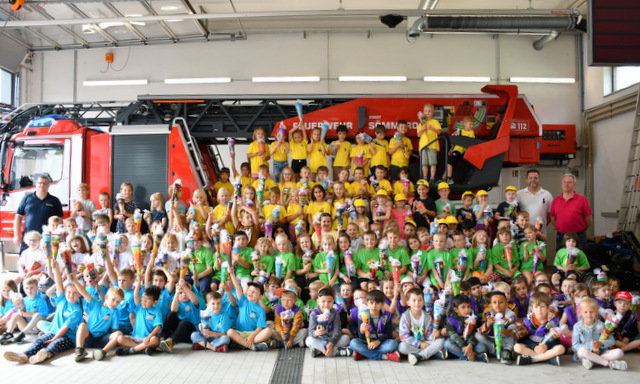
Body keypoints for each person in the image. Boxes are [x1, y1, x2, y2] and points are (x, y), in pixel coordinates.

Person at [3, 259, 82, 364]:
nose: (71, 295)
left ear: (79, 294)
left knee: (55, 344)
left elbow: (64, 328)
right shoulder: (62, 300)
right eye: (69, 292)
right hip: (53, 332)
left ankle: (43, 355)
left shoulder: (77, 310)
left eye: (75, 293)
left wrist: (53, 339)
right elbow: (59, 283)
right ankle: (23, 355)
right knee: (39, 341)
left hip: (68, 337)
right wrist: (56, 268)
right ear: (65, 292)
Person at [572, 297, 627, 371]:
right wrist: (591, 348)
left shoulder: (602, 325)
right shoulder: (577, 326)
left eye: (592, 311)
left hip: (601, 352)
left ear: (597, 312)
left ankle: (592, 361)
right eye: (585, 312)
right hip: (585, 353)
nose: (589, 314)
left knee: (619, 352)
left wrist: (600, 343)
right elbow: (575, 346)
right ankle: (609, 364)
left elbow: (612, 341)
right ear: (581, 313)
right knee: (581, 351)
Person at [13, 175, 63, 252]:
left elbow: (60, 220)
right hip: (29, 239)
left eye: (44, 183)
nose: (42, 185)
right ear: (36, 184)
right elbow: (18, 217)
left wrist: (59, 237)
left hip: (47, 239)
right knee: (26, 262)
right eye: (39, 183)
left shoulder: (54, 201)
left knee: (46, 262)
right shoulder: (26, 198)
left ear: (48, 185)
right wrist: (16, 236)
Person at [514, 292, 564, 366]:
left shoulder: (553, 321)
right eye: (536, 307)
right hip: (531, 347)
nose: (539, 310)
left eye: (542, 307)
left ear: (548, 308)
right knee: (517, 347)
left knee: (561, 348)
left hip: (546, 348)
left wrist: (546, 346)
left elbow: (557, 340)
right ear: (532, 308)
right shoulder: (526, 321)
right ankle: (548, 359)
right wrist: (534, 347)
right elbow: (523, 339)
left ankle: (532, 359)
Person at [349, 289, 399, 362]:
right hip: (367, 343)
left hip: (381, 343)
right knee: (353, 343)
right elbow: (361, 337)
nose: (374, 306)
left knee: (393, 344)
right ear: (367, 303)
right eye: (371, 303)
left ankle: (365, 353)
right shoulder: (362, 315)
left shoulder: (387, 315)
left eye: (377, 303)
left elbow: (388, 334)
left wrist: (378, 341)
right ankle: (383, 356)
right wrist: (362, 331)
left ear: (382, 304)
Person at [399, 287, 446, 365]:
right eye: (414, 300)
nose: (417, 303)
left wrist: (434, 334)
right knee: (402, 347)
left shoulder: (427, 317)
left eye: (420, 300)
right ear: (408, 303)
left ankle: (420, 355)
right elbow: (404, 336)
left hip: (425, 341)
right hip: (413, 344)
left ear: (423, 302)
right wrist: (419, 344)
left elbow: (429, 336)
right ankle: (432, 354)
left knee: (441, 341)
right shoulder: (405, 317)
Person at [550, 173, 592, 251]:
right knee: (561, 259)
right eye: (564, 182)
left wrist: (580, 229)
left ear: (574, 185)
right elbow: (553, 218)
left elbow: (588, 219)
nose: (566, 184)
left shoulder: (582, 200)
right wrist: (560, 228)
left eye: (569, 182)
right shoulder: (555, 201)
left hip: (578, 236)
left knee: (579, 259)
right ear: (561, 184)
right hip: (561, 236)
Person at [444, 294, 488, 363]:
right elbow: (453, 335)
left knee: (482, 347)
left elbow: (472, 334)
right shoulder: (451, 320)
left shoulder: (472, 318)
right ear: (456, 309)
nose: (467, 309)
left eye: (468, 306)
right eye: (463, 307)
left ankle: (459, 354)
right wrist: (463, 346)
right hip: (458, 343)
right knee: (447, 344)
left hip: (469, 344)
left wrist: (470, 345)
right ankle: (476, 357)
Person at [517, 169, 553, 235]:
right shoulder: (519, 194)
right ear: (526, 180)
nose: (533, 180)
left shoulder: (547, 195)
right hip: (524, 233)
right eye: (530, 178)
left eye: (535, 178)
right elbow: (514, 212)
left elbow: (549, 215)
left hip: (540, 233)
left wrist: (542, 226)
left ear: (539, 180)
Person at [417, 104, 442, 182]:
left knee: (433, 162)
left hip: (432, 145)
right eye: (426, 111)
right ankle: (425, 177)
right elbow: (418, 135)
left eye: (429, 111)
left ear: (433, 112)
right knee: (424, 163)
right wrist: (422, 129)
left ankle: (432, 178)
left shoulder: (435, 122)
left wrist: (432, 128)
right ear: (423, 112)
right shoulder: (421, 123)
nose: (427, 112)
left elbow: (439, 132)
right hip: (423, 146)